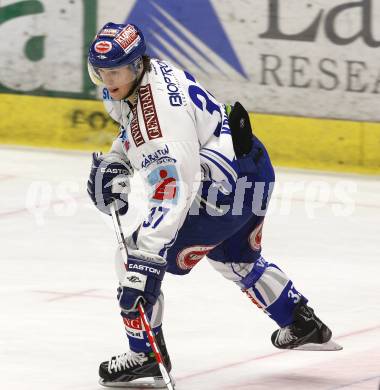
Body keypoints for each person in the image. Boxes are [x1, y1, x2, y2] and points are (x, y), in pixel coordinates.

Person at [87, 22, 333, 388]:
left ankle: (145, 355)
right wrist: (118, 161)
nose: (108, 80)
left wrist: (146, 263)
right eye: (101, 71)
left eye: (116, 71)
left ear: (137, 65)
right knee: (235, 259)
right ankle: (299, 321)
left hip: (219, 192)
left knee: (132, 256)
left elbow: (174, 192)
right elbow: (133, 129)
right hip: (252, 166)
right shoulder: (156, 71)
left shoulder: (160, 127)